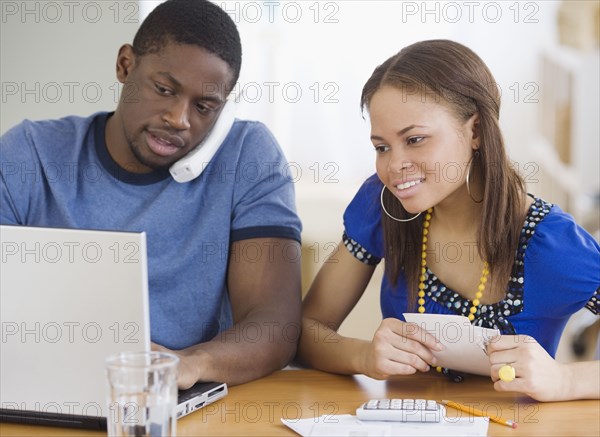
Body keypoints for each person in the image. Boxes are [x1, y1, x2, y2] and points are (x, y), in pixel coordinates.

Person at [0, 0, 302, 388]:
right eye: (163, 90)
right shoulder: (29, 154)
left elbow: (275, 324)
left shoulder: (247, 156)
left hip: (180, 399)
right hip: (36, 388)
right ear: (125, 65)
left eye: (205, 106)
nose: (179, 119)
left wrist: (191, 365)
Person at [297, 39, 599, 401]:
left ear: (475, 132)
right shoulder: (381, 203)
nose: (394, 166)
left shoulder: (552, 244)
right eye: (382, 147)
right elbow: (303, 332)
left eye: (416, 139)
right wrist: (363, 355)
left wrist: (565, 380)